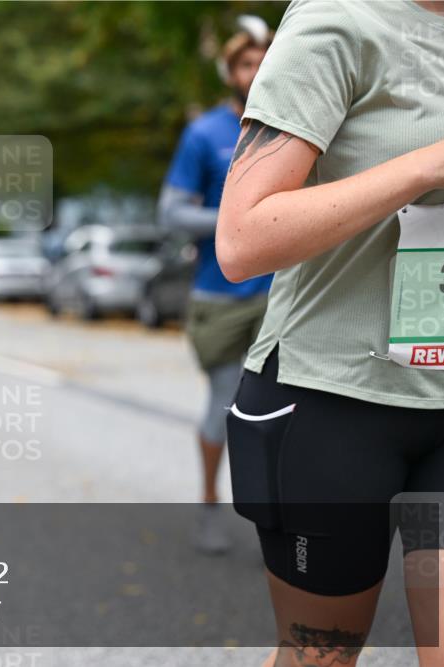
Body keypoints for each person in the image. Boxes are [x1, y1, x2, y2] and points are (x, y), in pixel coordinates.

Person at [216, 1, 444, 665]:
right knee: (319, 657)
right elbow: (241, 239)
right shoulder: (339, 20)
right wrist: (425, 169)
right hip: (332, 399)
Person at [157, 15, 274, 554]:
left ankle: (275, 523)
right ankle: (208, 503)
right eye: (247, 62)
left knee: (285, 415)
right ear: (231, 72)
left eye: (265, 59)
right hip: (220, 296)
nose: (257, 70)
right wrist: (239, 218)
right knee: (224, 406)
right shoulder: (205, 133)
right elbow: (173, 213)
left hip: (284, 298)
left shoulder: (294, 126)